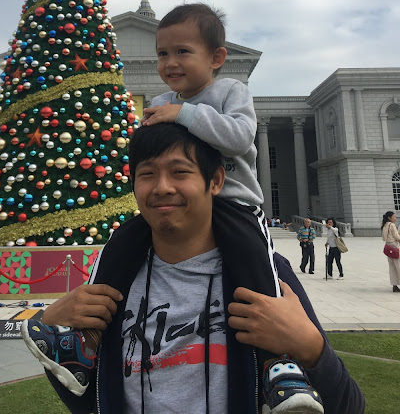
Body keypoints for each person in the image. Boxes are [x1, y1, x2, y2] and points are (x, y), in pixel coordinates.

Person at [22, 124, 364, 413]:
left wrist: (311, 348)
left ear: (215, 181)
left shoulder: (265, 275)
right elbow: (88, 398)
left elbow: (350, 407)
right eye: (147, 174)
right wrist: (52, 324)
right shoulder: (115, 279)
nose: (162, 187)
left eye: (180, 172)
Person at [381, 211, 400, 293]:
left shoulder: (385, 225)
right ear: (389, 217)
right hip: (394, 246)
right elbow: (397, 236)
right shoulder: (392, 225)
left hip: (388, 247)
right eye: (394, 217)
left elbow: (383, 237)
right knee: (398, 267)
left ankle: (394, 285)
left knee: (392, 267)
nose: (395, 218)